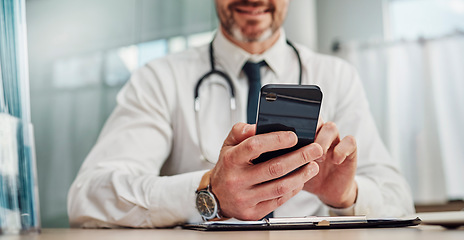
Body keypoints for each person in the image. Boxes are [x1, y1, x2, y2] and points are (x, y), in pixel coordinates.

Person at [68, 0, 414, 228]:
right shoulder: (160, 78)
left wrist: (346, 194)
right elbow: (88, 197)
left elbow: (398, 198)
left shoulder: (337, 76)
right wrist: (209, 192)